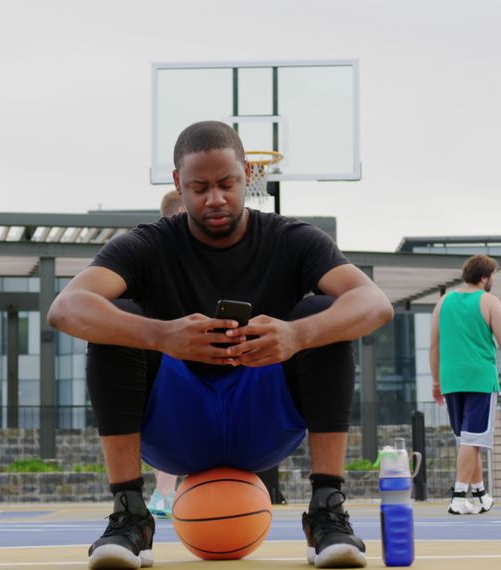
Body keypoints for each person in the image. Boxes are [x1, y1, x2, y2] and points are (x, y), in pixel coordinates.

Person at [48, 120, 393, 569]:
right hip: (178, 425)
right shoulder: (149, 245)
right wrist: (162, 334)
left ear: (248, 174)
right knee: (117, 322)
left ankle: (326, 510)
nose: (215, 199)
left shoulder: (292, 240)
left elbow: (375, 303)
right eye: (200, 187)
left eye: (227, 184)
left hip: (261, 419)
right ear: (178, 184)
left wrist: (295, 335)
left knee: (323, 315)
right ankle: (130, 515)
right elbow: (66, 307)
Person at [429, 254, 501, 515]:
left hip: (451, 379)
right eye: (493, 275)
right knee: (472, 440)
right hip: (480, 378)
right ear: (485, 277)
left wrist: (436, 380)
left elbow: (434, 345)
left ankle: (481, 495)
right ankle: (458, 496)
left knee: (467, 440)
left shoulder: (443, 302)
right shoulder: (489, 301)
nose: (493, 279)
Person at [146, 190, 185, 519]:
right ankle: (164, 493)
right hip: (168, 353)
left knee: (170, 422)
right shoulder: (155, 251)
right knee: (169, 420)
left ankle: (163, 493)